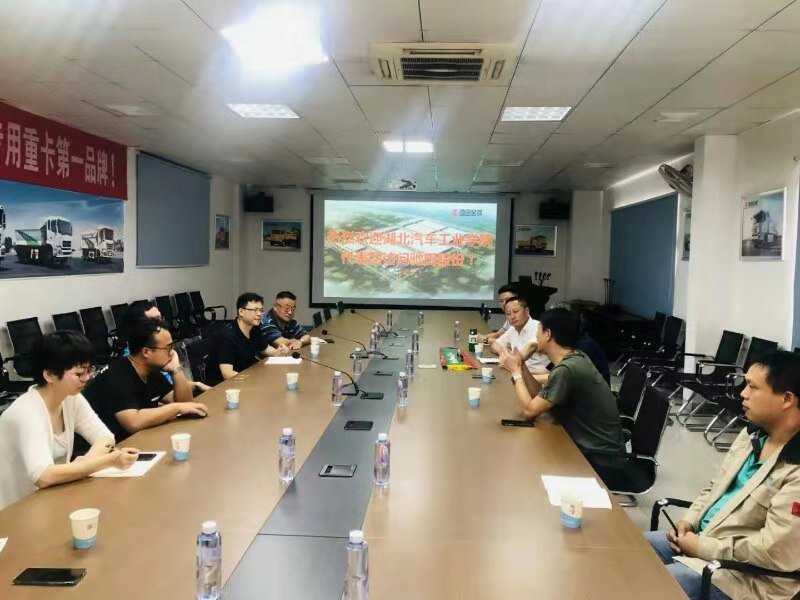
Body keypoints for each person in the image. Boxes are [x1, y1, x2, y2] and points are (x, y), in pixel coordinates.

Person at [645, 351, 800, 600]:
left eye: (753, 387)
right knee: (629, 549)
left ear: (787, 399)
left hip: (744, 577)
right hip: (705, 543)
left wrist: (701, 547)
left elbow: (775, 552)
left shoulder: (796, 468)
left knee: (649, 586)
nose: (743, 393)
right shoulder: (752, 435)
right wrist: (690, 521)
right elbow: (715, 486)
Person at [0, 332, 139, 509]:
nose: (86, 378)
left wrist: (86, 462)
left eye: (89, 370)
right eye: (79, 373)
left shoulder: (70, 398)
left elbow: (105, 437)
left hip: (52, 497)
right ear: (50, 374)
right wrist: (108, 461)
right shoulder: (26, 412)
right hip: (16, 510)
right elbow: (43, 476)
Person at [497, 307, 625, 454]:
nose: (535, 336)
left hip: (596, 454)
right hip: (584, 444)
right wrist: (521, 364)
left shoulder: (567, 369)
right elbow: (538, 396)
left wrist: (516, 373)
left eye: (538, 331)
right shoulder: (575, 357)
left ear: (548, 334)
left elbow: (529, 412)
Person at [83, 317, 208, 444]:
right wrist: (177, 408)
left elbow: (186, 404)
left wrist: (176, 368)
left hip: (131, 442)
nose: (172, 352)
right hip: (97, 449)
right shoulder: (117, 375)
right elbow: (133, 422)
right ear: (146, 352)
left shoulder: (150, 370)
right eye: (168, 347)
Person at [122, 300, 210, 394]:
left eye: (161, 318)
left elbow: (168, 388)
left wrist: (196, 384)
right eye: (155, 320)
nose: (161, 323)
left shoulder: (159, 347)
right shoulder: (137, 359)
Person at [219, 292, 288, 380]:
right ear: (241, 312)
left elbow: (264, 349)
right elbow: (227, 374)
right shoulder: (228, 335)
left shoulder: (254, 328)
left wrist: (278, 352)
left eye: (261, 310)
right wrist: (252, 380)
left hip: (248, 375)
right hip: (227, 384)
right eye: (255, 310)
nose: (259, 314)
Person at [490, 295, 549, 373]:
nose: (512, 316)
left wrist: (511, 360)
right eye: (508, 313)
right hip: (517, 372)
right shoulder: (513, 329)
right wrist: (503, 352)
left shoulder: (537, 327)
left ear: (527, 311)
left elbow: (531, 347)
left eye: (516, 311)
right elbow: (495, 345)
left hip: (536, 375)